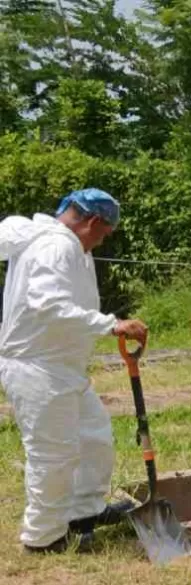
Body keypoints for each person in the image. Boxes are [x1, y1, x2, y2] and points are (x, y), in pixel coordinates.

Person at [0, 189, 149, 553]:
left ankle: (85, 511)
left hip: (64, 368)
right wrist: (110, 325)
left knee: (95, 439)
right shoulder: (56, 246)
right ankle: (44, 537)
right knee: (54, 456)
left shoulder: (69, 245)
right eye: (104, 233)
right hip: (38, 369)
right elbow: (48, 304)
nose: (103, 240)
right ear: (93, 222)